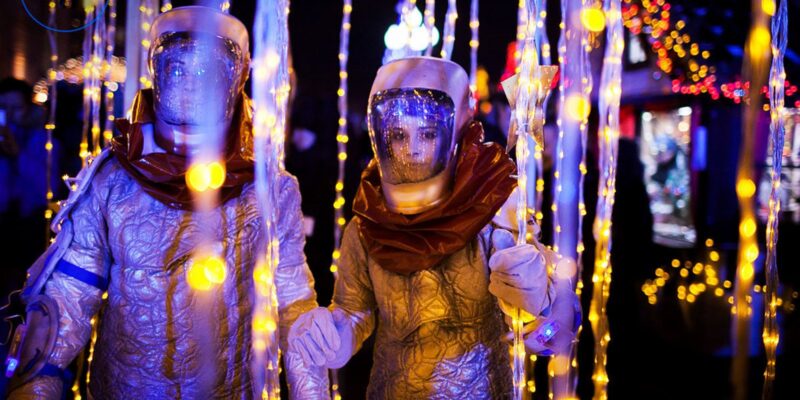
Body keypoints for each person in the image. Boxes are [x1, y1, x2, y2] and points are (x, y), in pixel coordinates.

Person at [5, 6, 328, 399]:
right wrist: (34, 385)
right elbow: (69, 295)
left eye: (208, 71)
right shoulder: (113, 180)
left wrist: (312, 390)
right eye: (176, 70)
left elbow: (292, 297)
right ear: (156, 71)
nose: (191, 85)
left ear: (239, 75)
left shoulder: (269, 188)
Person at [288, 57, 578, 398]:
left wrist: (537, 312)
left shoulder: (492, 211)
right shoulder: (368, 223)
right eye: (399, 135)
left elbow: (560, 327)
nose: (411, 149)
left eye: (427, 134)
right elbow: (354, 312)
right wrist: (327, 336)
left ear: (454, 133)